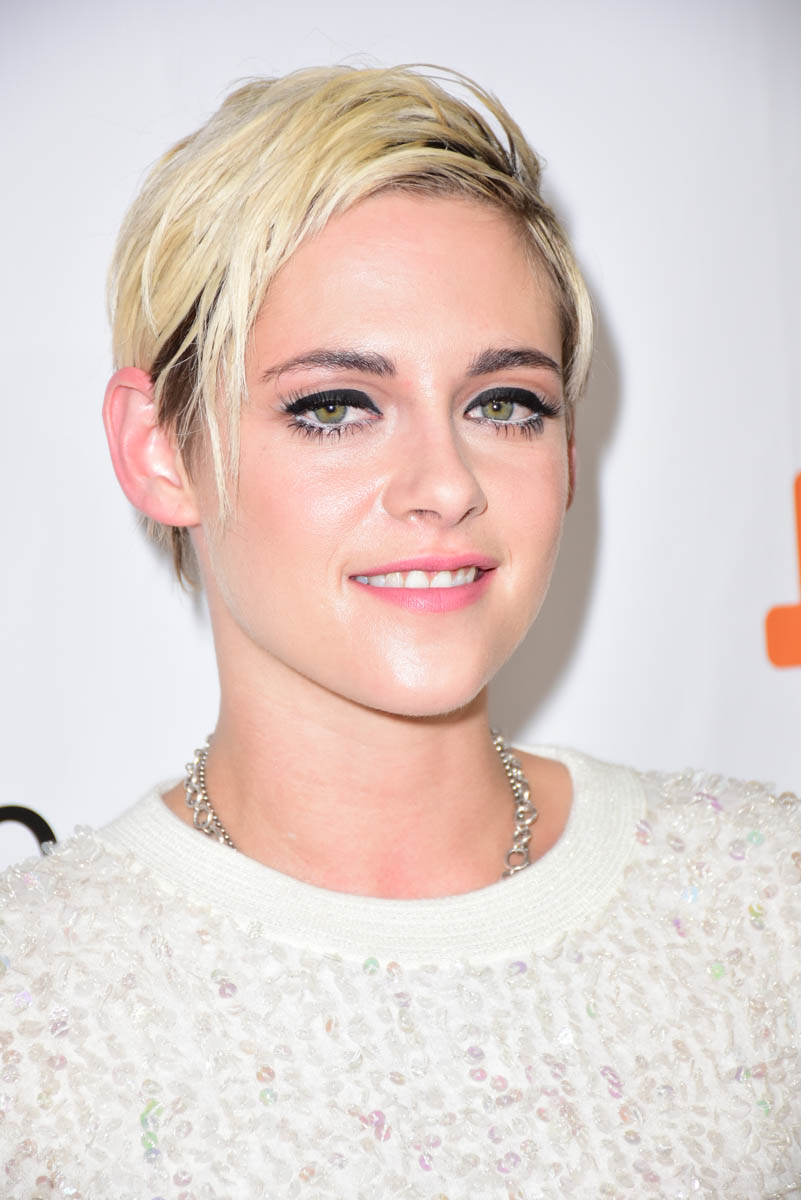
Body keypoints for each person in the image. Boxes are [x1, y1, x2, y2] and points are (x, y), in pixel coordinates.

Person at [1, 64, 798, 1199]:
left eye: (504, 404)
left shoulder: (766, 908)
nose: (445, 484)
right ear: (159, 449)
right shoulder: (28, 1004)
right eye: (335, 406)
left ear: (569, 451)